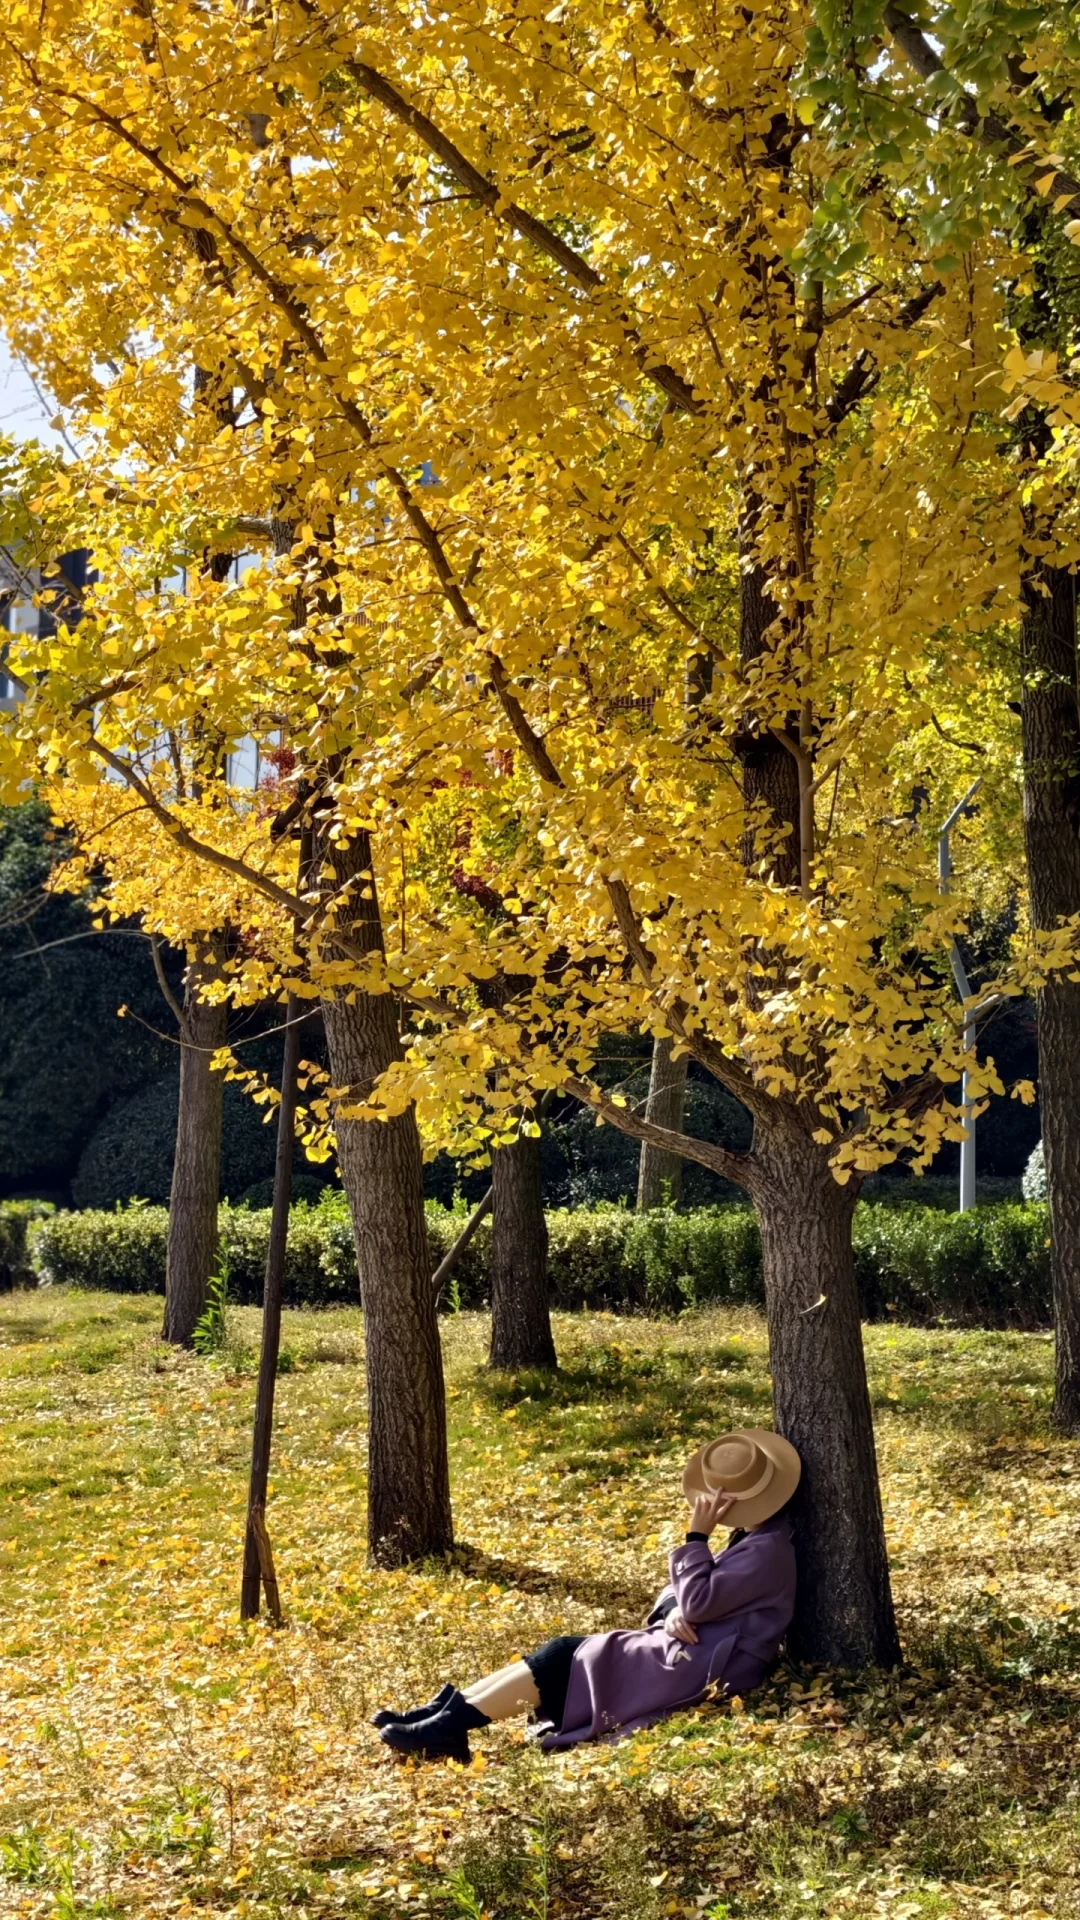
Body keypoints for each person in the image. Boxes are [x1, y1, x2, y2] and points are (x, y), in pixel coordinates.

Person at [375, 1427, 800, 1764]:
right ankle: (447, 1714)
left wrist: (696, 1537)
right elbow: (687, 1593)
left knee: (567, 1655)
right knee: (566, 1652)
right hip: (696, 1643)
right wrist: (671, 1608)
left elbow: (701, 1600)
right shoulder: (753, 1537)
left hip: (710, 1663)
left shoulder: (768, 1550)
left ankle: (451, 1724)